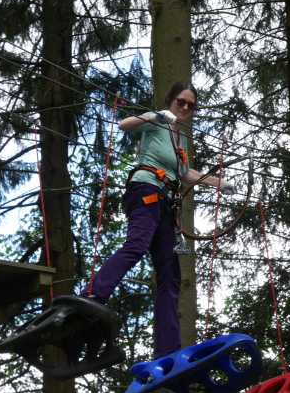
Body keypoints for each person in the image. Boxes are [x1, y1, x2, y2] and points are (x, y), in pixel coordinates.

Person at [82, 82, 233, 357]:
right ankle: (93, 293)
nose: (185, 107)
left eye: (191, 104)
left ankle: (168, 349)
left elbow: (186, 174)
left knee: (170, 275)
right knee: (137, 245)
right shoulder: (158, 122)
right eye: (181, 101)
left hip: (166, 203)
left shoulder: (182, 139)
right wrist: (155, 115)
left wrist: (218, 183)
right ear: (171, 100)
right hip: (145, 191)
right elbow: (124, 125)